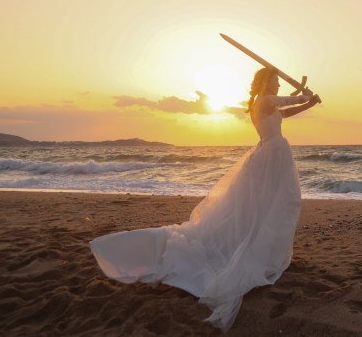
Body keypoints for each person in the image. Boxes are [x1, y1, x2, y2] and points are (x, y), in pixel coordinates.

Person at [90, 67, 320, 332]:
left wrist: (308, 102)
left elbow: (287, 112)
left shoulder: (265, 104)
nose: (279, 85)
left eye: (279, 82)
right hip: (270, 159)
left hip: (269, 159)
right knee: (268, 207)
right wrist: (306, 97)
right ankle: (250, 250)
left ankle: (261, 249)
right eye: (276, 81)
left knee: (267, 207)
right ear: (266, 84)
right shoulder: (266, 101)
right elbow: (287, 103)